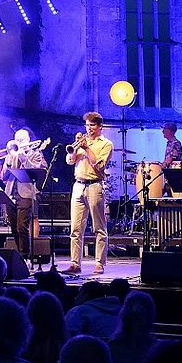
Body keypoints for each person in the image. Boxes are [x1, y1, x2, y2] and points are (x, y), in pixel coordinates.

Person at [65, 112, 113, 275]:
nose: (89, 128)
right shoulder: (82, 142)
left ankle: (99, 263)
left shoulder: (106, 144)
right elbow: (70, 160)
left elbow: (99, 165)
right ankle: (74, 264)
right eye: (87, 125)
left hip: (94, 186)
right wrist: (76, 148)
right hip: (78, 185)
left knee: (99, 228)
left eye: (92, 125)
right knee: (76, 228)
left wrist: (86, 148)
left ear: (99, 126)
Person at [4, 128, 46, 253]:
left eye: (22, 140)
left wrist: (22, 156)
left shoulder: (36, 154)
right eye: (17, 140)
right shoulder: (10, 155)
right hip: (10, 193)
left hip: (26, 193)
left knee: (22, 226)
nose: (19, 142)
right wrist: (9, 163)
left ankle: (25, 255)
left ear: (28, 140)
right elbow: (3, 176)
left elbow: (32, 171)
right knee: (13, 228)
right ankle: (18, 254)